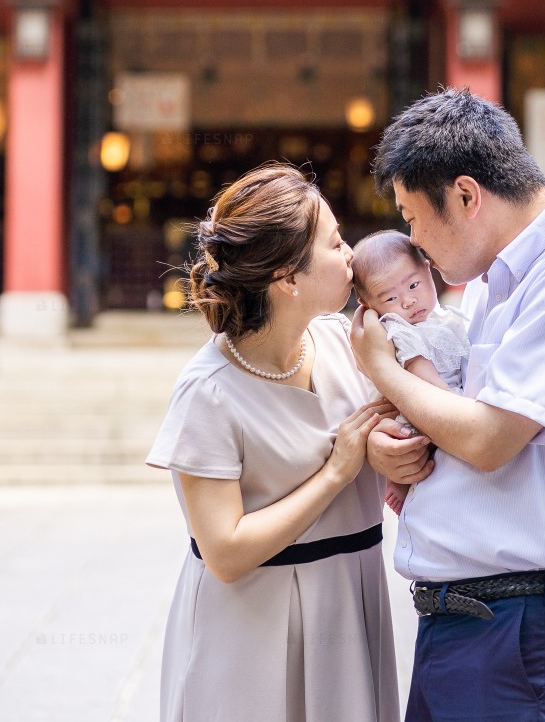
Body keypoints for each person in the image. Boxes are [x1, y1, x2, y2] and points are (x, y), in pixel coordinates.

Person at [350, 89, 545, 722]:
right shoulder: (497, 278)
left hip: (524, 630)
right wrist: (396, 445)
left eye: (411, 217)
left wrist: (383, 368)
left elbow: (492, 439)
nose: (411, 241)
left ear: (466, 195)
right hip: (472, 623)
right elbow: (458, 414)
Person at [146, 164, 400, 722]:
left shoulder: (345, 343)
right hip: (249, 632)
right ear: (288, 276)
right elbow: (227, 552)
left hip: (349, 611)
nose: (351, 254)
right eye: (335, 244)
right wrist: (337, 472)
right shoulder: (208, 392)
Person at [349, 229, 470, 514]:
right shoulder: (399, 330)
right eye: (389, 298)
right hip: (427, 401)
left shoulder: (442, 318)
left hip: (448, 399)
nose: (407, 301)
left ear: (428, 271)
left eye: (414, 285)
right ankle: (398, 484)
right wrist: (462, 406)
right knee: (412, 442)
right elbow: (419, 372)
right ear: (369, 306)